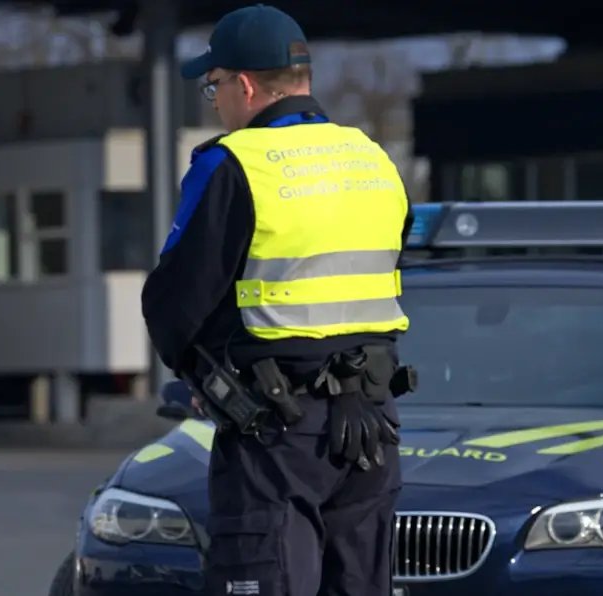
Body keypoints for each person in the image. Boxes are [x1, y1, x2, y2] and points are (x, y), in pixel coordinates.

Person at [144, 5, 415, 596]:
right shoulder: (373, 161)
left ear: (244, 85)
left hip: (277, 431)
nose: (212, 99)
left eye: (212, 85)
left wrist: (197, 370)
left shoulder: (234, 165)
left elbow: (172, 303)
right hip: (371, 424)